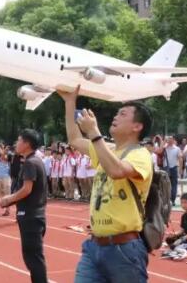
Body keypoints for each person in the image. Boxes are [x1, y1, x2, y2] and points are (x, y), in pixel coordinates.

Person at [59, 86, 153, 283]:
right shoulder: (107, 149)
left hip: (124, 248)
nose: (116, 117)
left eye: (123, 114)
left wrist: (94, 132)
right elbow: (75, 139)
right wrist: (70, 102)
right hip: (94, 245)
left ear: (137, 127)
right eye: (117, 113)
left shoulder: (140, 154)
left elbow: (116, 171)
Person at [0, 129, 48, 283]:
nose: (16, 143)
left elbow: (27, 189)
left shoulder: (30, 163)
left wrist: (9, 199)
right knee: (33, 258)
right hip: (33, 215)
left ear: (27, 144)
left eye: (19, 140)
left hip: (30, 216)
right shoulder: (35, 161)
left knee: (34, 259)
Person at [159, 136, 181, 206]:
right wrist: (164, 142)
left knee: (173, 184)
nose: (169, 141)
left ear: (173, 140)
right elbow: (159, 151)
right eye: (168, 139)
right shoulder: (164, 147)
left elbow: (180, 158)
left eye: (171, 139)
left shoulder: (177, 148)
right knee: (166, 185)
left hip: (173, 168)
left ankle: (172, 199)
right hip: (166, 168)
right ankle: (168, 200)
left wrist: (180, 169)